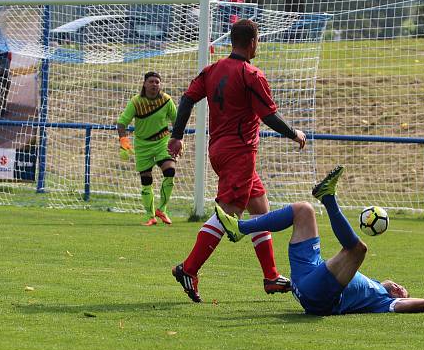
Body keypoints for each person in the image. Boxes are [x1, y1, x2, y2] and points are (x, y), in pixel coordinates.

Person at [167, 19, 307, 302]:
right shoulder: (250, 75)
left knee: (260, 208)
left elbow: (186, 99)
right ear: (253, 42)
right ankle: (188, 268)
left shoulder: (212, 70)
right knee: (228, 214)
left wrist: (177, 135)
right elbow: (268, 116)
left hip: (219, 149)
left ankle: (270, 276)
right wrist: (294, 133)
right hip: (239, 153)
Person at [216, 165, 424, 314]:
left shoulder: (383, 301)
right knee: (303, 211)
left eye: (402, 291)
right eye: (400, 286)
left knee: (358, 250)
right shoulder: (374, 283)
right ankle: (241, 227)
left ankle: (328, 197)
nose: (399, 288)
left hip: (317, 298)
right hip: (307, 273)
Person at [117, 71, 178, 226]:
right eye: (151, 81)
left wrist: (178, 138)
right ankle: (150, 216)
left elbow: (177, 121)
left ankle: (162, 209)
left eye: (157, 82)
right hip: (142, 145)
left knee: (170, 171)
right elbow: (121, 123)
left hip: (162, 142)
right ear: (144, 84)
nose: (154, 84)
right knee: (146, 180)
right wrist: (123, 140)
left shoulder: (166, 100)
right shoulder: (136, 102)